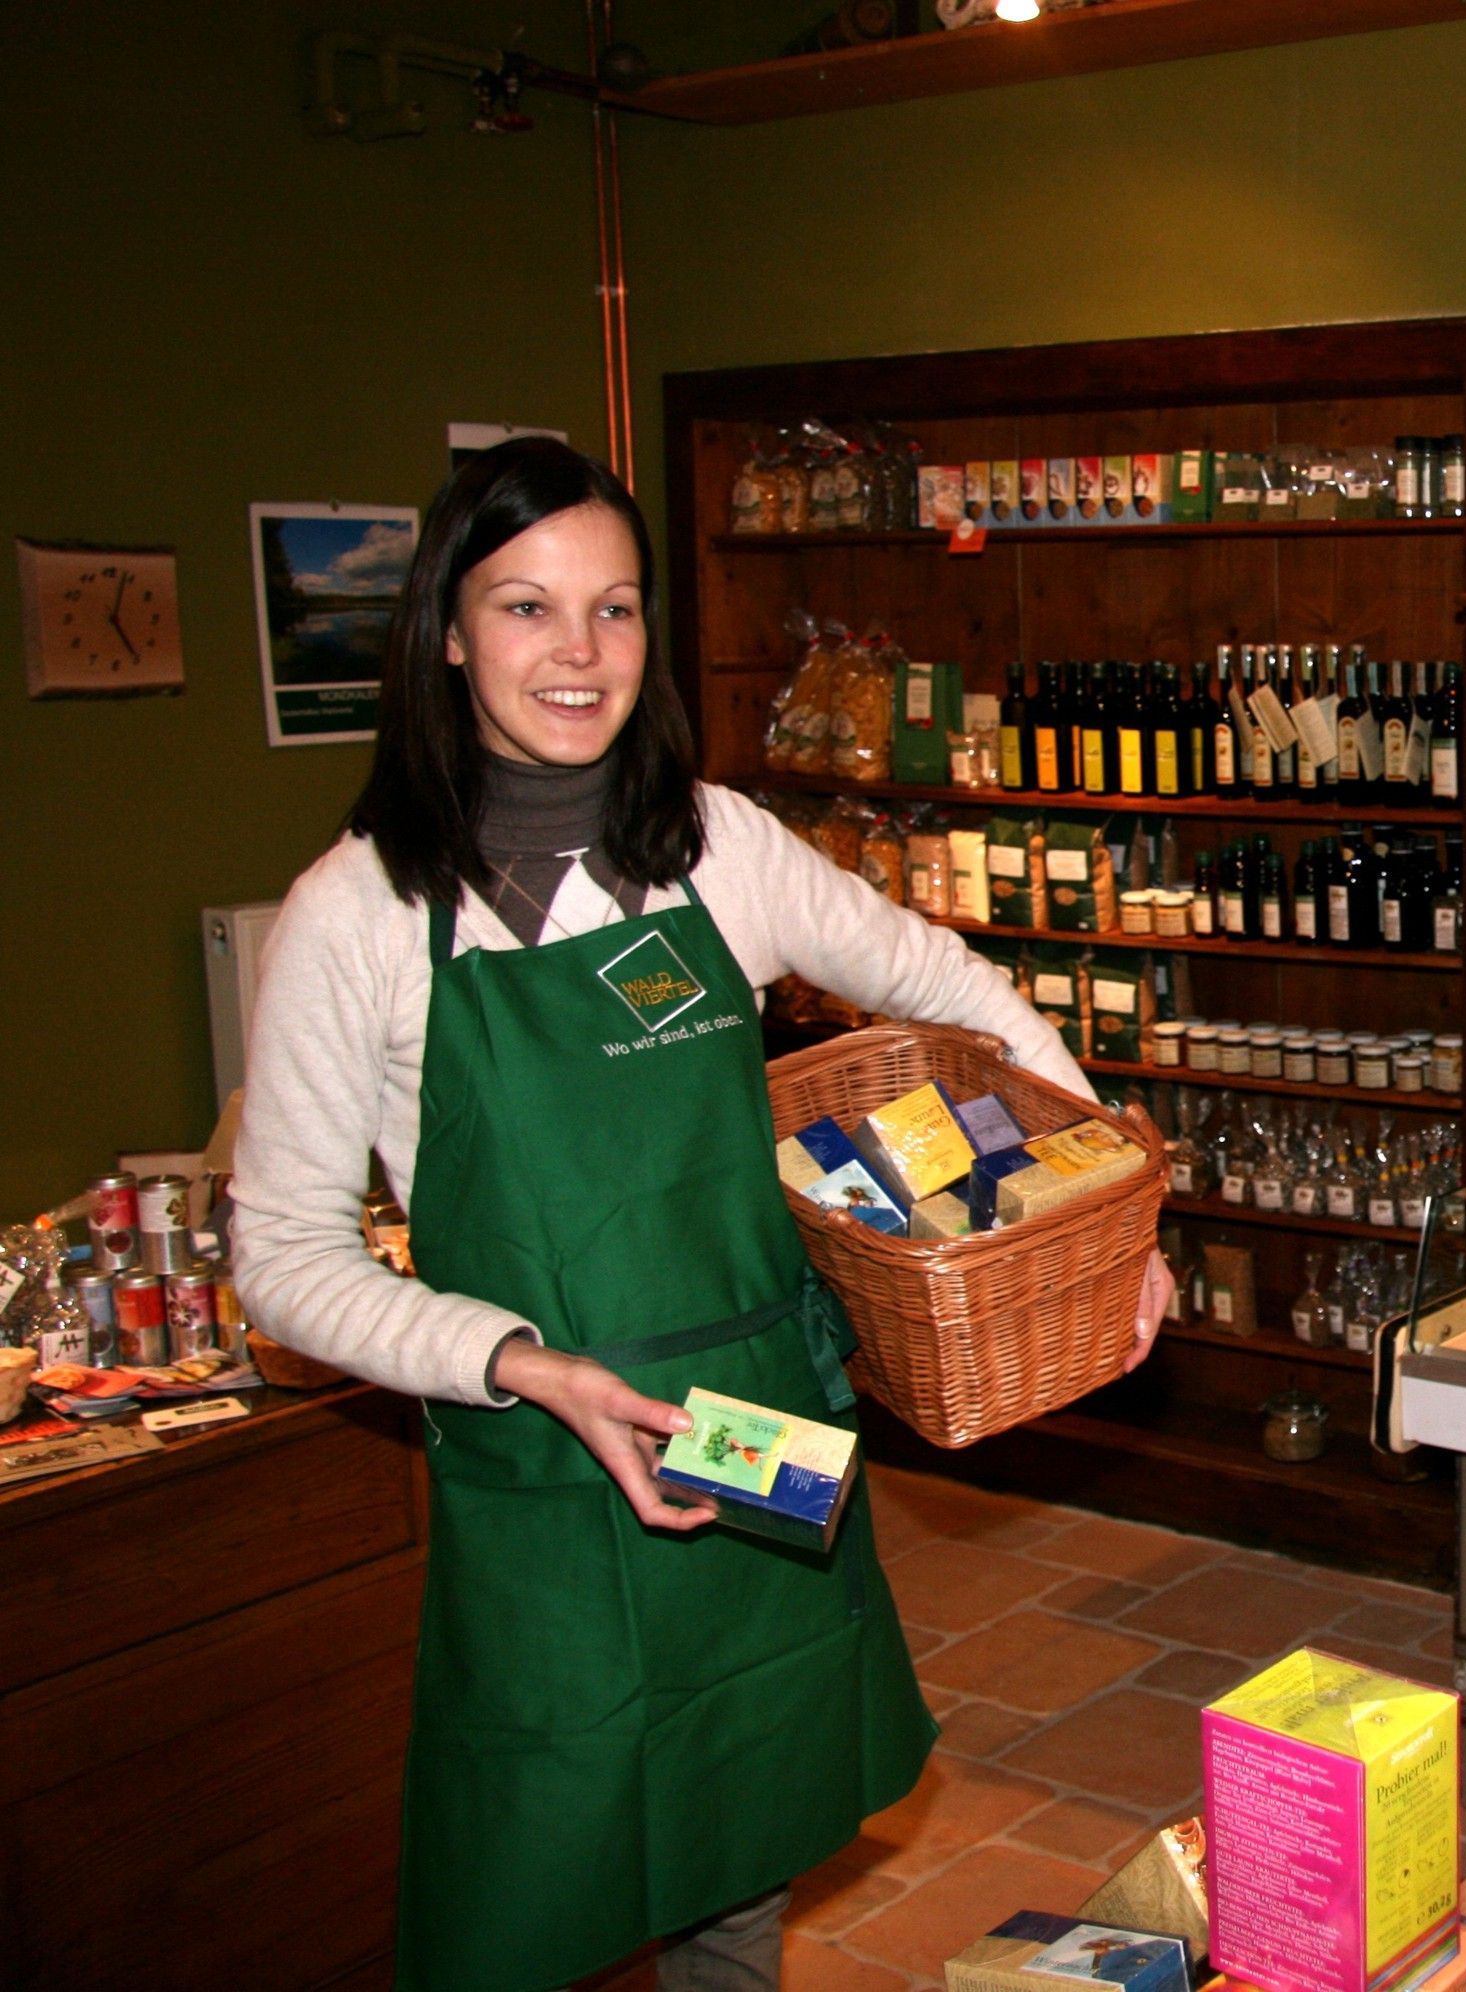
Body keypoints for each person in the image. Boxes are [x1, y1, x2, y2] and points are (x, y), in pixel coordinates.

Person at [231, 438, 1168, 1992]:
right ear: (449, 634)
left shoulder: (717, 847)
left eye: (615, 609)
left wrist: (1105, 1219)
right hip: (546, 1454)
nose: (579, 654)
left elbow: (956, 993)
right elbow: (282, 1259)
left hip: (756, 1434)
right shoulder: (363, 912)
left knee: (744, 1830)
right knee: (532, 1870)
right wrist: (525, 1366)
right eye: (527, 609)